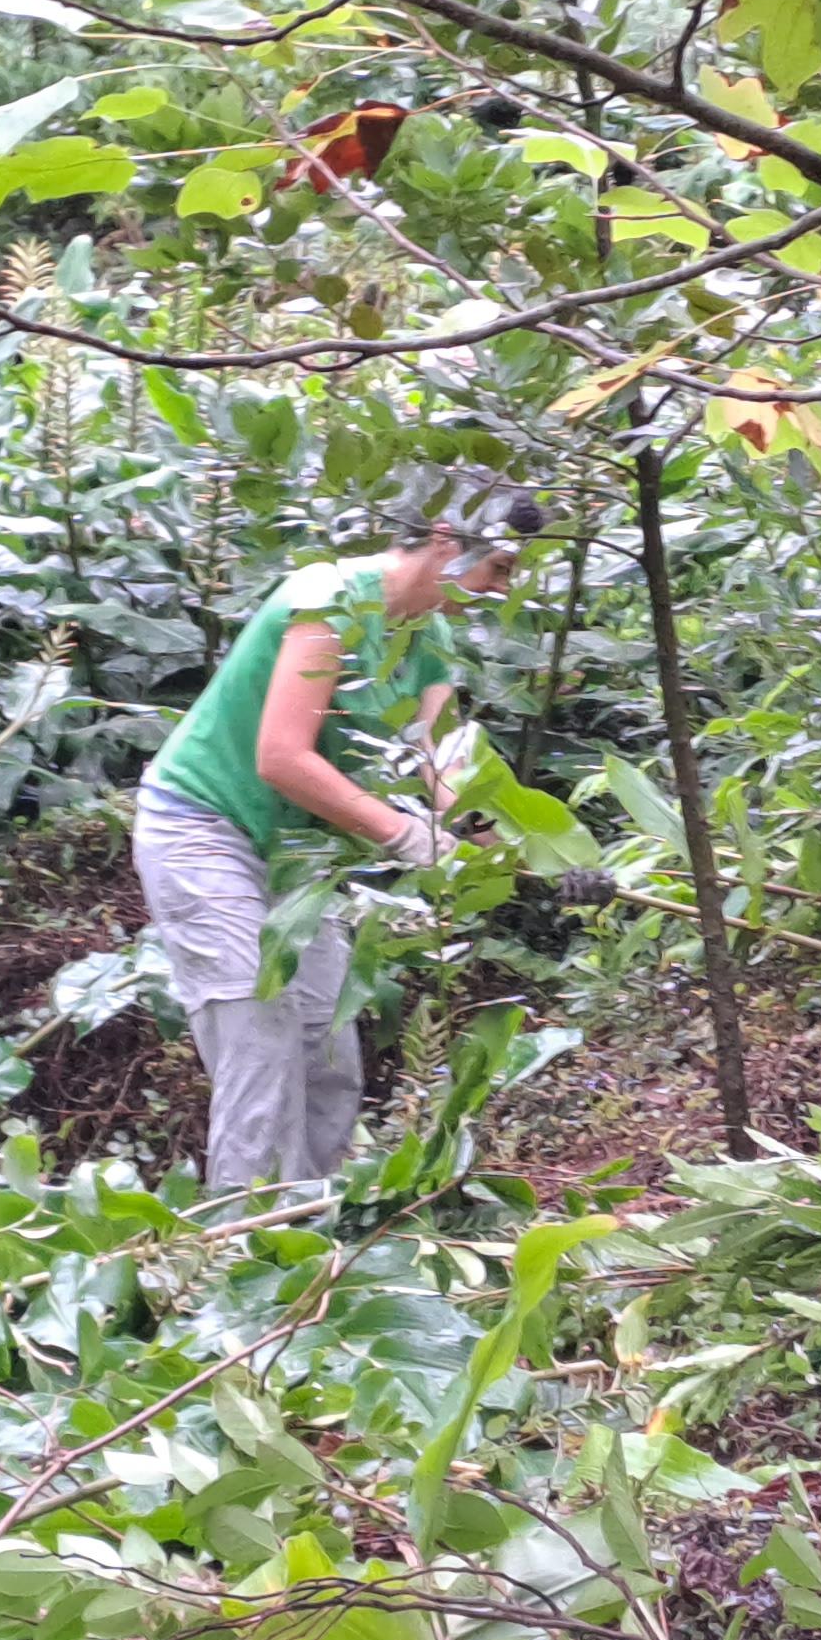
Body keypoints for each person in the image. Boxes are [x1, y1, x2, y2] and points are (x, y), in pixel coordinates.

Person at [135, 487, 543, 1196]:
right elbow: (281, 758)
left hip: (301, 859)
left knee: (327, 1050)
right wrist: (406, 835)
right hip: (203, 828)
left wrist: (526, 855)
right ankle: (238, 1241)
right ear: (447, 540)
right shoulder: (326, 601)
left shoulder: (427, 635)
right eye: (500, 567)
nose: (502, 589)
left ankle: (309, 1230)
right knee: (260, 1040)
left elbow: (445, 766)